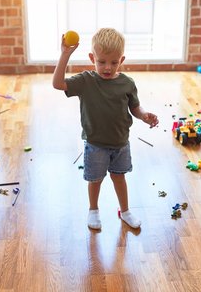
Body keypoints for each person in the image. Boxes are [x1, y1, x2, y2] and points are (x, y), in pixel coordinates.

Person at [52, 28, 158, 230]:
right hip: (95, 144)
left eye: (113, 62)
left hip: (120, 143)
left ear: (122, 60)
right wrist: (65, 54)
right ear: (92, 58)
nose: (107, 68)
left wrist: (144, 115)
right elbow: (58, 84)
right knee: (96, 179)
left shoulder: (127, 83)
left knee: (120, 177)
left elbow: (134, 107)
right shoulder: (86, 81)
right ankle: (93, 210)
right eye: (101, 62)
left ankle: (125, 211)